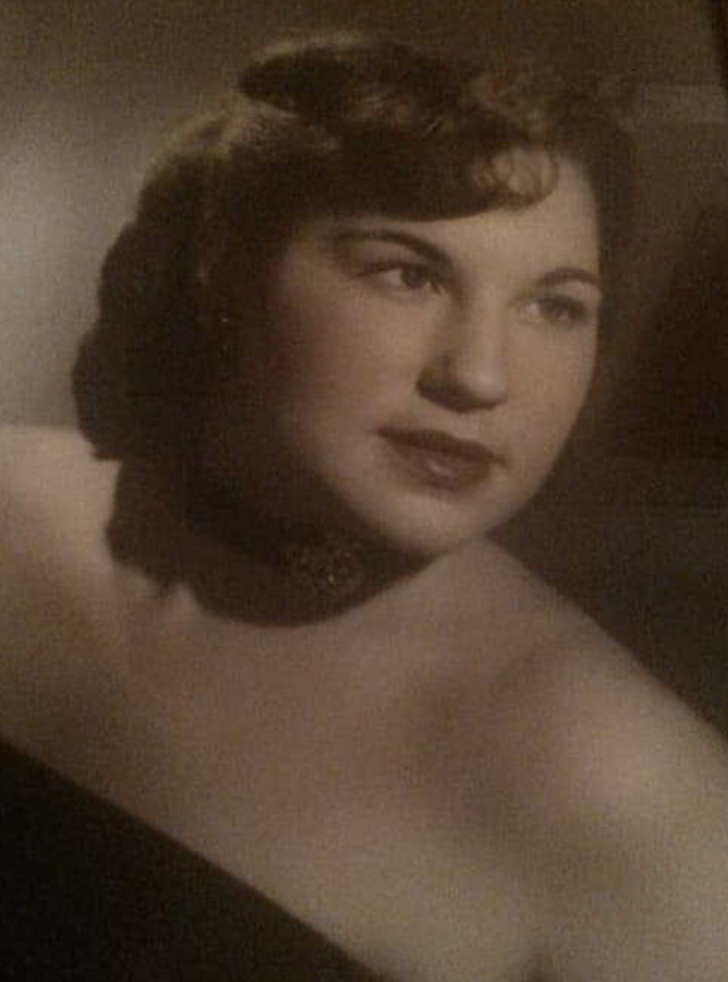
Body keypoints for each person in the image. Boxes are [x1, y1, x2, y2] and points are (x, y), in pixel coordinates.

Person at [1, 32, 727, 982]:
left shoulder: (630, 793)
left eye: (555, 306)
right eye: (408, 274)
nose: (480, 375)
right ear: (225, 269)